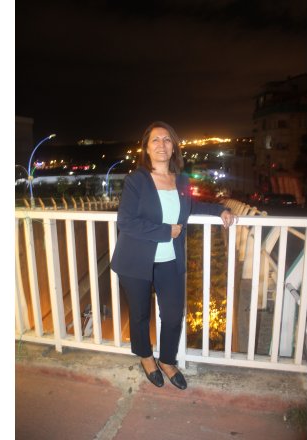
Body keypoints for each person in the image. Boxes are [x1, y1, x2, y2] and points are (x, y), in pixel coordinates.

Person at [111, 121, 237, 390]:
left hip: (169, 259)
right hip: (136, 259)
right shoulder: (136, 180)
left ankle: (167, 360)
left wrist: (220, 210)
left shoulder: (181, 181)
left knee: (172, 314)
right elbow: (126, 221)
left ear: (174, 147)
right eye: (155, 140)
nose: (161, 144)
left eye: (167, 140)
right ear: (146, 148)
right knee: (140, 314)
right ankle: (146, 357)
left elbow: (191, 206)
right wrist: (165, 231)